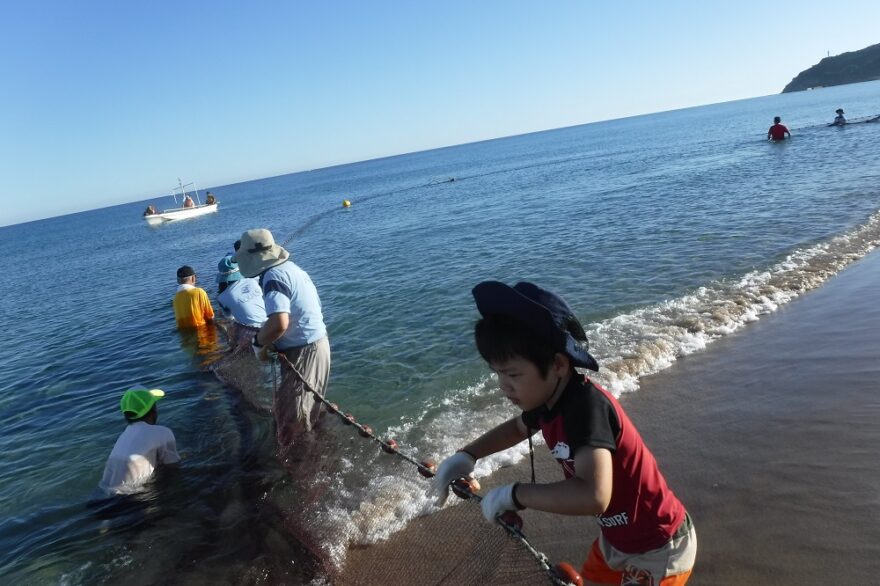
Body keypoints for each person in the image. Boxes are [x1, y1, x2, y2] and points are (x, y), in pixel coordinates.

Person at [432, 282, 696, 585]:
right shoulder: (549, 403)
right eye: (498, 373)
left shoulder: (586, 408)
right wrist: (468, 454)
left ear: (558, 364)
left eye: (513, 374)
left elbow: (594, 496)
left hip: (659, 545)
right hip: (616, 542)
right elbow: (518, 428)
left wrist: (515, 494)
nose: (504, 386)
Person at [233, 228, 330, 447]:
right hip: (315, 346)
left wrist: (259, 343)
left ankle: (305, 467)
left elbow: (279, 322)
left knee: (295, 419)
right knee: (309, 411)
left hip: (305, 352)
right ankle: (318, 454)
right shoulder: (290, 268)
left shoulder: (272, 277)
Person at [98, 385, 180, 495]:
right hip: (134, 499)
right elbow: (173, 467)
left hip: (104, 495)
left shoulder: (123, 437)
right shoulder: (163, 433)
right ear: (154, 411)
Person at [216, 254, 267, 338]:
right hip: (271, 322)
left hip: (253, 331)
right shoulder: (253, 280)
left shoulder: (222, 297)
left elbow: (229, 318)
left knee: (220, 320)